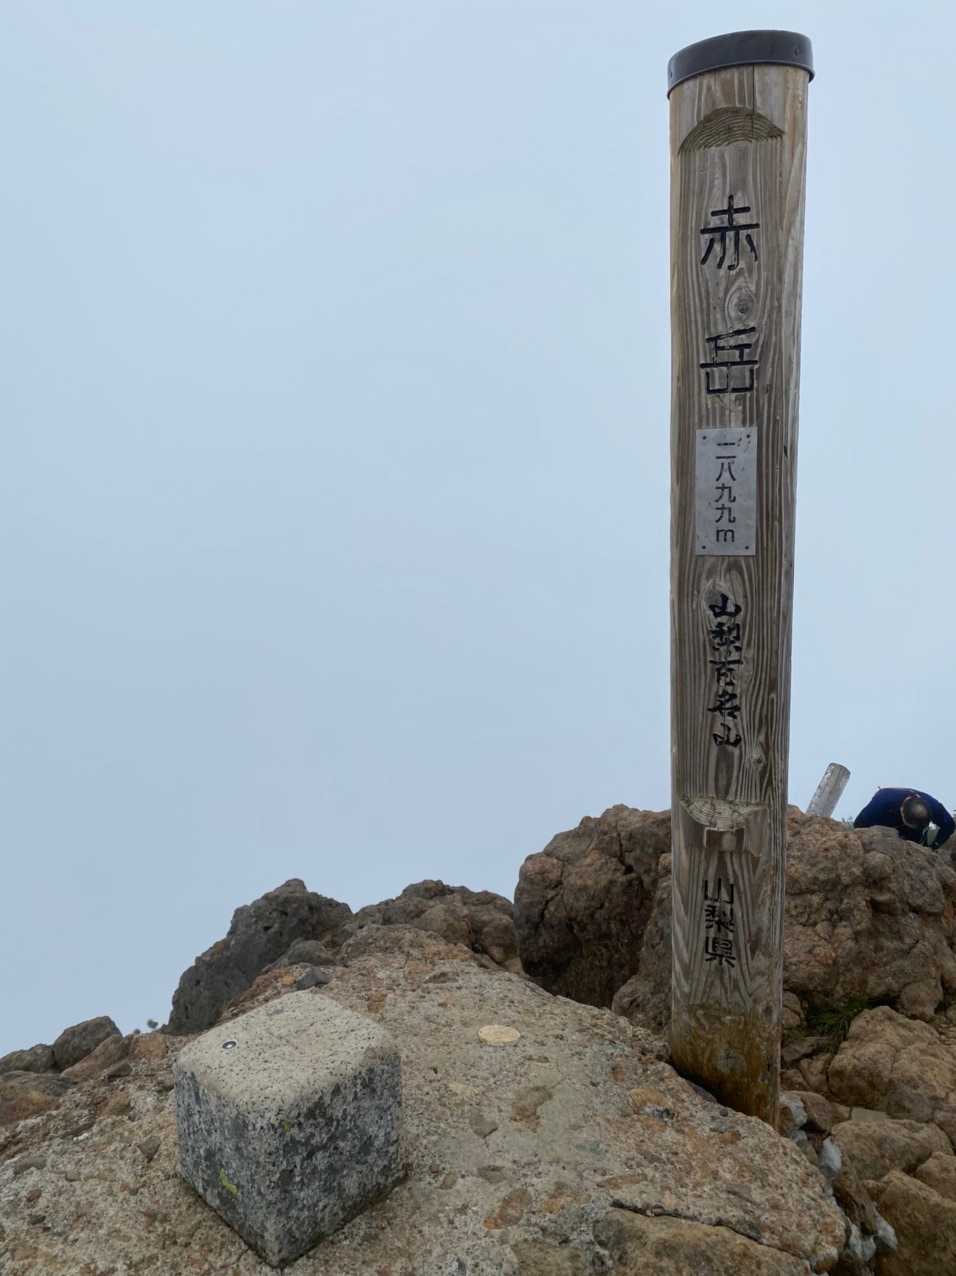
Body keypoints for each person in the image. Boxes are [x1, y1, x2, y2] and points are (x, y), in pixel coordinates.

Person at [853, 787, 954, 849]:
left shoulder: (933, 806)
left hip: (916, 831)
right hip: (886, 818)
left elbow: (949, 825)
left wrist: (935, 845)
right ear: (901, 810)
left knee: (915, 847)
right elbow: (858, 825)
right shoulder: (881, 801)